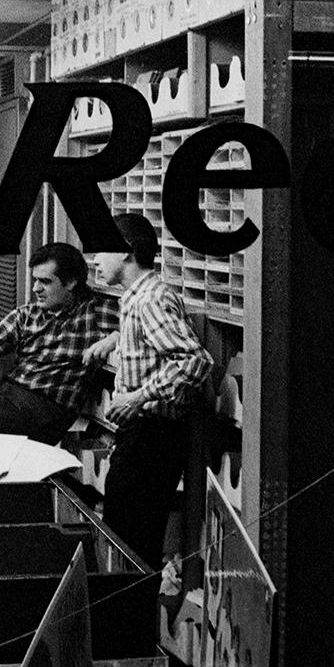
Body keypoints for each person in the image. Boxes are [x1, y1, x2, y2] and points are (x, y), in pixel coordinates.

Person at [83, 213, 213, 570]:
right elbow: (154, 347)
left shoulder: (149, 300)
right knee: (124, 541)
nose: (94, 258)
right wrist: (114, 340)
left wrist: (138, 397)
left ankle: (131, 623)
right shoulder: (137, 297)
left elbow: (194, 361)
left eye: (102, 249)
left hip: (152, 439)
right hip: (143, 438)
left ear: (126, 253)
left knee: (130, 548)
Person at [0, 243, 117, 445]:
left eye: (45, 281)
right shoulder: (27, 315)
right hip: (8, 393)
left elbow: (141, 326)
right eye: (35, 280)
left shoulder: (96, 312)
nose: (36, 289)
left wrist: (115, 337)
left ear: (70, 282)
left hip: (46, 406)